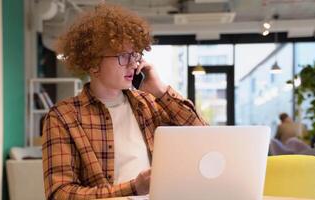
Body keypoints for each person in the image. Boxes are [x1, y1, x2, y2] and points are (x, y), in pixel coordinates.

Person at [42, 3, 208, 200]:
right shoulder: (63, 117)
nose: (133, 63)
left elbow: (203, 136)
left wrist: (161, 90)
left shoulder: (149, 104)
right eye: (123, 56)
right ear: (93, 63)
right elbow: (59, 193)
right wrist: (133, 188)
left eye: (135, 54)